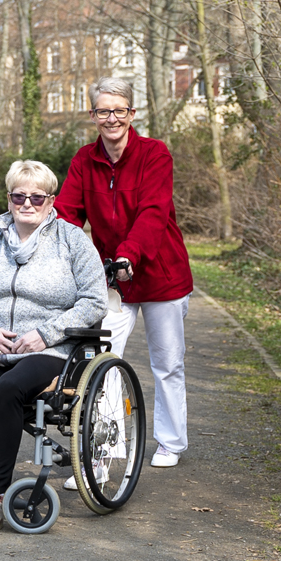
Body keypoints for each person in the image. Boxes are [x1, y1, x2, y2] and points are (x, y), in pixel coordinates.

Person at [0, 159, 107, 536]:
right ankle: (1, 449)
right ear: (9, 199)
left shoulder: (72, 240)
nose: (28, 203)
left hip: (50, 354)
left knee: (10, 389)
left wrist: (46, 333)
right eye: (19, 195)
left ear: (51, 200)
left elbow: (94, 301)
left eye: (37, 196)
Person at [55, 76, 193, 476]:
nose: (111, 118)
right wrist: (58, 252)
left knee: (167, 363)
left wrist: (129, 255)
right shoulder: (84, 160)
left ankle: (170, 442)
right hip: (112, 280)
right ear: (93, 116)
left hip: (160, 275)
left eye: (119, 110)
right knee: (101, 360)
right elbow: (67, 212)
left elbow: (153, 212)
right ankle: (107, 449)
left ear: (132, 114)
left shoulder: (155, 154)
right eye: (103, 111)